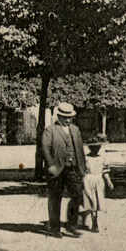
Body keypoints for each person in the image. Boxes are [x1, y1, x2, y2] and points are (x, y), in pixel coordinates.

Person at [41, 102, 86, 238]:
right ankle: (54, 228)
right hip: (57, 169)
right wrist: (51, 166)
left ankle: (71, 225)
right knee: (55, 198)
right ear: (59, 116)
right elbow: (45, 149)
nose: (68, 120)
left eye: (70, 117)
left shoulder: (75, 130)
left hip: (73, 168)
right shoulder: (50, 130)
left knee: (77, 195)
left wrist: (82, 167)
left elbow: (80, 149)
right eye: (65, 117)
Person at [82, 141, 114, 233]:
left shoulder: (102, 158)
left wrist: (109, 181)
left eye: (97, 147)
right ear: (89, 148)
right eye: (93, 147)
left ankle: (94, 219)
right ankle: (93, 221)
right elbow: (82, 171)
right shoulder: (86, 158)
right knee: (91, 201)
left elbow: (105, 171)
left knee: (97, 201)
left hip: (99, 180)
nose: (96, 149)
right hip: (88, 179)